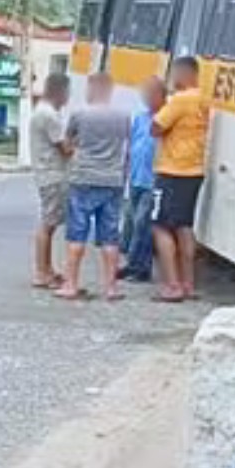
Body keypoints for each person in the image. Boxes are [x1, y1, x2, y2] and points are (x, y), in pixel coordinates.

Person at [55, 73, 130, 301]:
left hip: (83, 179)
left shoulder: (79, 115)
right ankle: (110, 288)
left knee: (77, 233)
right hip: (112, 180)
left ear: (92, 89)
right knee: (110, 236)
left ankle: (71, 284)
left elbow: (67, 144)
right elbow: (126, 146)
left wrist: (76, 149)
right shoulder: (123, 116)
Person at [150, 56, 211, 302]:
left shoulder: (180, 100)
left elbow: (155, 127)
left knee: (160, 226)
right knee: (185, 227)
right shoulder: (204, 99)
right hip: (194, 171)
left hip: (172, 170)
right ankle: (188, 283)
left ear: (183, 74)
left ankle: (172, 285)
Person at [118, 76, 166, 283]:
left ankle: (141, 269)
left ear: (161, 95)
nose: (146, 98)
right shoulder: (140, 117)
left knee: (142, 225)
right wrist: (126, 170)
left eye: (151, 93)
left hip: (152, 179)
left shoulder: (166, 118)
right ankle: (132, 264)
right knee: (130, 222)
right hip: (136, 177)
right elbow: (131, 145)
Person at [30, 73, 72, 289]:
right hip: (53, 174)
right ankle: (41, 272)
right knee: (48, 224)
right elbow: (65, 148)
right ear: (60, 91)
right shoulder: (49, 116)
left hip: (46, 174)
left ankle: (46, 269)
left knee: (49, 223)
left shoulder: (43, 112)